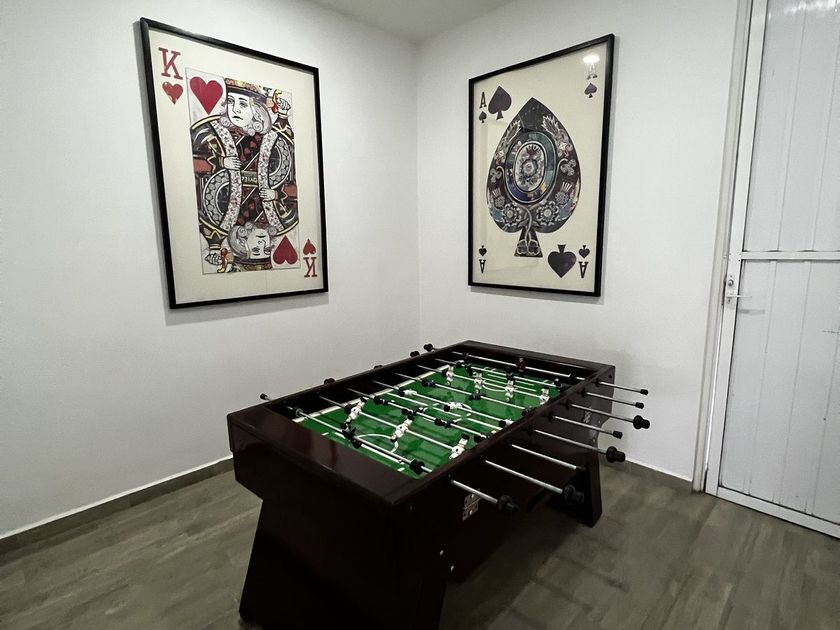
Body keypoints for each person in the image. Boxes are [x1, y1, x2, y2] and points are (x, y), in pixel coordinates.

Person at [191, 77, 297, 272]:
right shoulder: (211, 132)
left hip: (261, 211)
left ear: (256, 109)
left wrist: (275, 194)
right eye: (231, 102)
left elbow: (294, 183)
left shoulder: (272, 137)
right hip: (229, 209)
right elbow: (193, 166)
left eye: (242, 104)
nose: (236, 110)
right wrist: (221, 162)